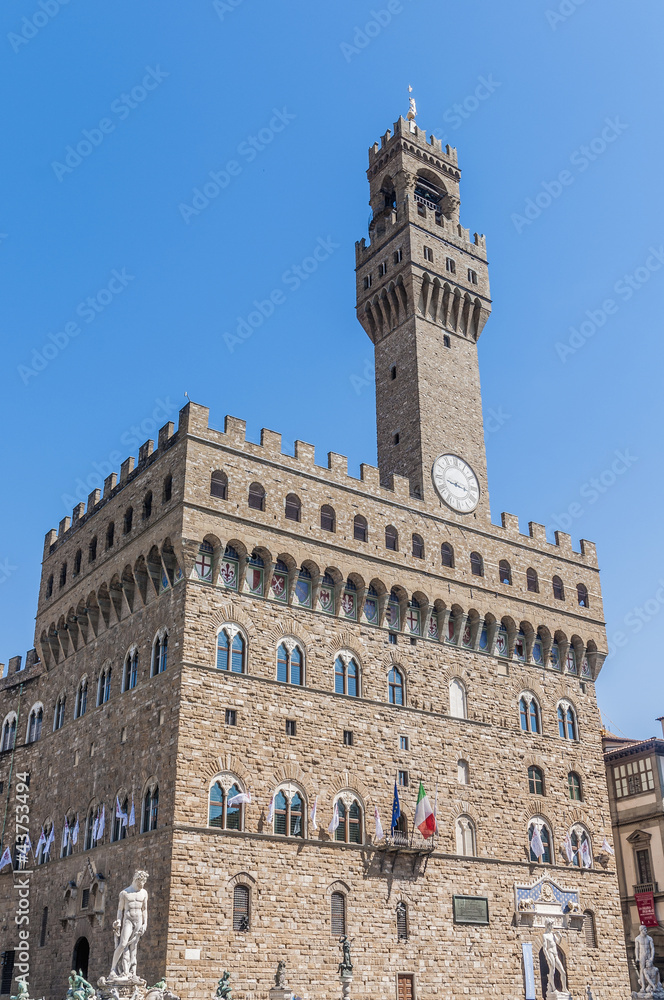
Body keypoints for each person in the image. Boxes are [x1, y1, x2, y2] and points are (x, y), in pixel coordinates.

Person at [110, 869, 149, 978]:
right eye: (141, 882)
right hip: (128, 920)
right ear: (136, 880)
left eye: (144, 882)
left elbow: (144, 909)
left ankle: (131, 971)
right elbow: (120, 910)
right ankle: (113, 969)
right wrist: (118, 921)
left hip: (138, 920)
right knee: (123, 944)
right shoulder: (124, 893)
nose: (142, 885)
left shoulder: (144, 893)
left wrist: (145, 924)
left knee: (134, 946)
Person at [542, 919, 567, 995]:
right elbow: (544, 948)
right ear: (548, 925)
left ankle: (564, 988)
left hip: (556, 954)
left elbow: (558, 943)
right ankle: (553, 988)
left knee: (563, 972)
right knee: (552, 971)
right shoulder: (545, 936)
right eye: (551, 925)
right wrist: (548, 958)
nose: (552, 926)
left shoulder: (553, 935)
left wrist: (560, 936)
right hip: (550, 953)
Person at [635, 925, 656, 993]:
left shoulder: (649, 938)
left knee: (651, 969)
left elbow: (652, 948)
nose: (646, 931)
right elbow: (637, 948)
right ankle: (643, 986)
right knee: (642, 970)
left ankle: (651, 985)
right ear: (641, 930)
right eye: (645, 930)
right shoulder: (637, 938)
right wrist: (637, 957)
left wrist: (652, 957)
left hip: (648, 954)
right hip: (642, 955)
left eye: (646, 930)